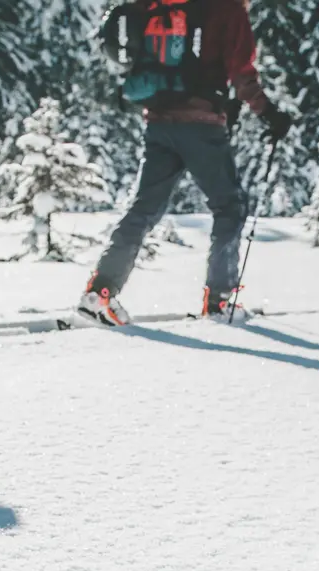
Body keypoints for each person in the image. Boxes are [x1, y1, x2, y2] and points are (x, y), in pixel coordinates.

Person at [77, 0, 293, 329]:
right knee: (229, 207)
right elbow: (241, 70)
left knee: (143, 209)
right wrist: (268, 113)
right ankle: (219, 303)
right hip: (201, 125)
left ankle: (99, 293)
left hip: (158, 122)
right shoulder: (228, 7)